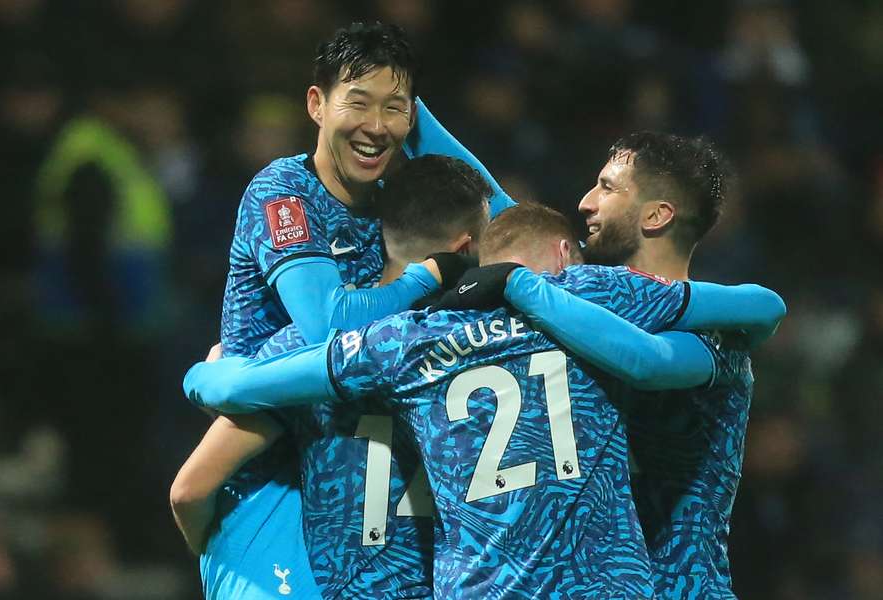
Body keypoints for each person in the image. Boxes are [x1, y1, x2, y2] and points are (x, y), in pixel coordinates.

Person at [182, 202, 783, 598]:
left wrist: (208, 375)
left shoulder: (401, 338)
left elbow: (234, 393)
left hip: (472, 584)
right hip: (600, 583)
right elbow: (762, 305)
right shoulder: (589, 295)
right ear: (564, 254)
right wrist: (527, 287)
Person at [453, 132, 784, 597]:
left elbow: (646, 362)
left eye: (607, 188)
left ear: (656, 215)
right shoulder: (583, 294)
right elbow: (499, 209)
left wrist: (520, 283)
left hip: (679, 587)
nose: (585, 202)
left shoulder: (715, 336)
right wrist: (409, 107)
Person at [171, 155, 491, 599]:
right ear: (466, 249)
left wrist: (223, 555)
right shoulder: (484, 345)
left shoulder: (309, 350)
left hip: (335, 584)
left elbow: (189, 490)